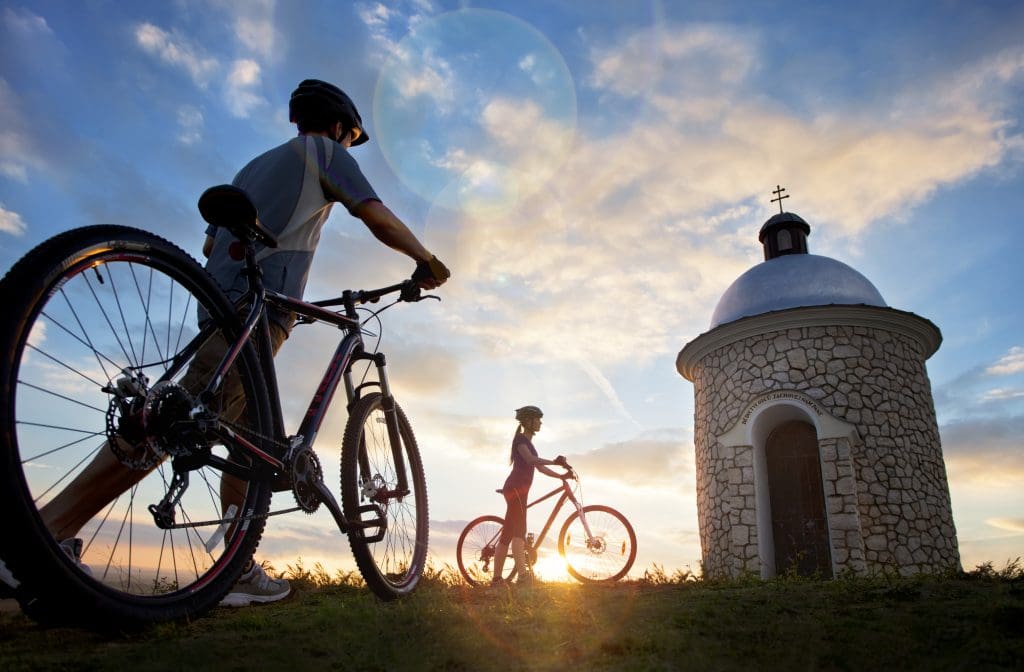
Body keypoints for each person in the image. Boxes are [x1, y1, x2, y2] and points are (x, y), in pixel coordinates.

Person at [1, 79, 450, 607]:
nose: (349, 146)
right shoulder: (325, 151)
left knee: (246, 434)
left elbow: (215, 242)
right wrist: (425, 259)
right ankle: (38, 540)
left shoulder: (251, 167)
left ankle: (236, 561)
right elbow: (372, 212)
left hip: (220, 301)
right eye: (352, 137)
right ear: (338, 126)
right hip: (253, 315)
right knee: (173, 423)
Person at [490, 405, 568, 587]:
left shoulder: (529, 443)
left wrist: (561, 475)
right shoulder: (520, 440)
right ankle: (523, 577)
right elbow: (531, 460)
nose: (540, 422)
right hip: (516, 489)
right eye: (537, 419)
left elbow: (540, 468)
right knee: (519, 532)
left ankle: (496, 580)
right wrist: (555, 462)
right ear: (528, 421)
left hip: (517, 490)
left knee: (508, 534)